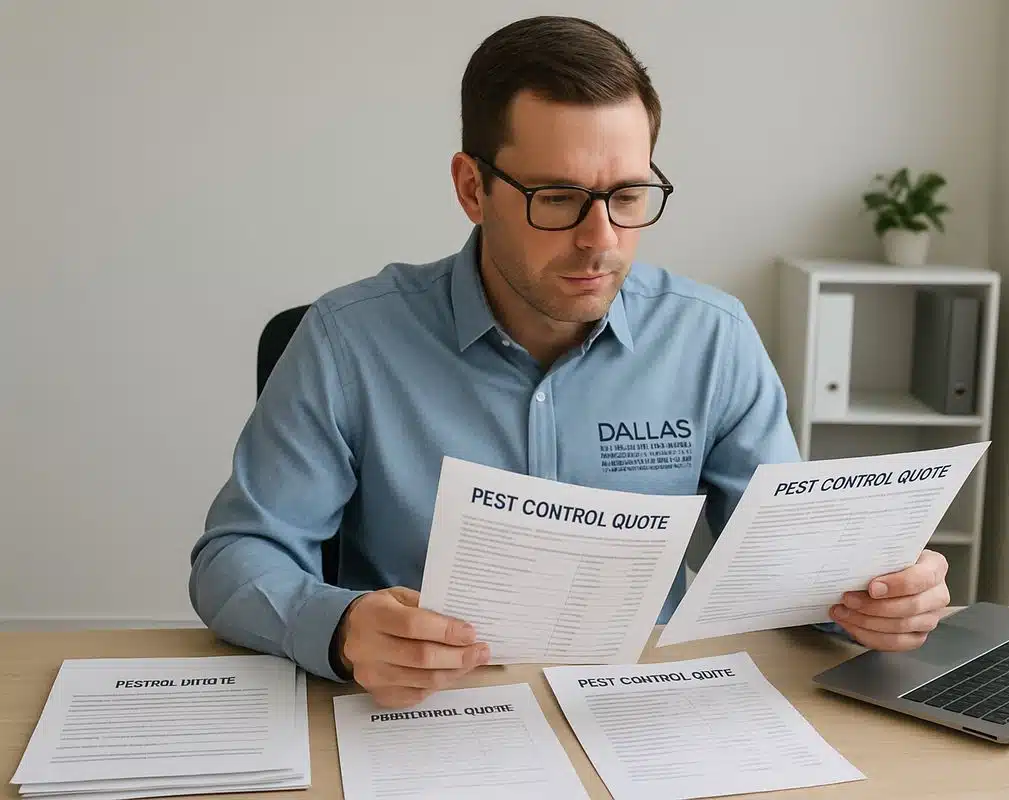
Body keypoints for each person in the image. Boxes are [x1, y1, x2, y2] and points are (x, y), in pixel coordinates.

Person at [189, 15, 952, 710]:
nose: (601, 240)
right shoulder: (347, 341)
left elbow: (791, 566)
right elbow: (234, 557)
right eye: (557, 198)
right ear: (472, 189)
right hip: (421, 718)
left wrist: (877, 599)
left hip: (644, 717)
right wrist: (342, 627)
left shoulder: (711, 339)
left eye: (629, 194)